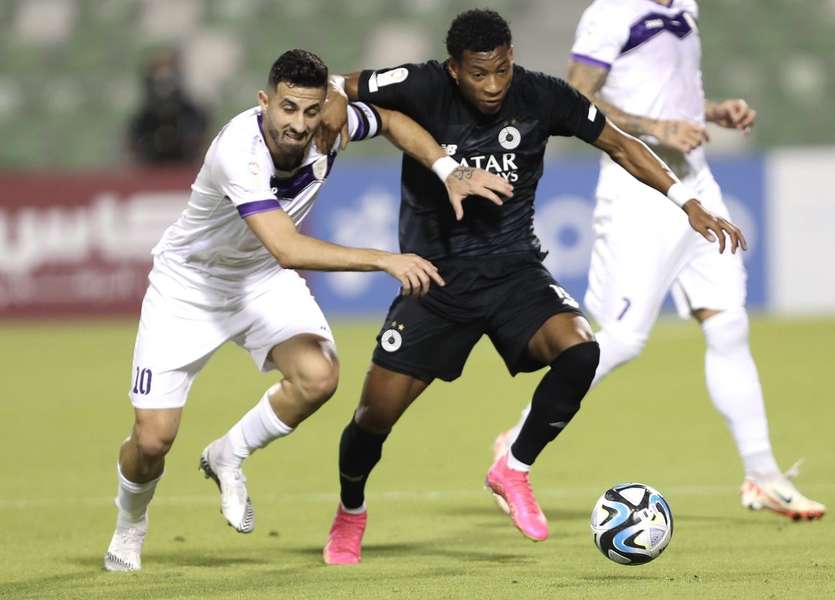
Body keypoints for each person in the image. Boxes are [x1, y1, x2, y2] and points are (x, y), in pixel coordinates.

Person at [316, 9, 746, 565]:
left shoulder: (543, 96)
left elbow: (619, 143)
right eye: (478, 74)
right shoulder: (419, 84)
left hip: (515, 271)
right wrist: (328, 110)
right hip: (435, 279)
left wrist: (686, 201)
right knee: (373, 418)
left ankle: (513, 469)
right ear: (454, 70)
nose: (492, 86)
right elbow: (335, 84)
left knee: (581, 350)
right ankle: (350, 512)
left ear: (511, 58)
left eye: (500, 70)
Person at [104, 48, 512, 572]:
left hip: (261, 282)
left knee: (319, 376)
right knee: (153, 439)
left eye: (310, 110)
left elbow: (391, 121)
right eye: (288, 109)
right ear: (264, 102)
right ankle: (128, 527)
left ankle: (229, 452)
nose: (298, 124)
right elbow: (288, 248)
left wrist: (447, 168)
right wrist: (384, 259)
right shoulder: (239, 150)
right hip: (190, 286)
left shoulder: (328, 126)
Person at [493, 0, 825, 521]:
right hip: (638, 192)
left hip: (697, 184)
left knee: (729, 325)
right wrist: (658, 128)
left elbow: (663, 88)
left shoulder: (684, 5)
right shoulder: (610, 12)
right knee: (622, 340)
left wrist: (706, 113)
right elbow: (575, 96)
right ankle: (516, 442)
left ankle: (763, 476)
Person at [127, 47, 209, 164]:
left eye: (169, 80)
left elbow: (200, 148)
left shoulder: (193, 116)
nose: (164, 89)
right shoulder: (143, 121)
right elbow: (134, 152)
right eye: (159, 82)